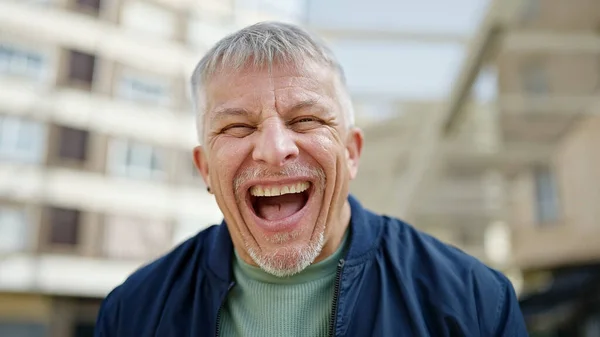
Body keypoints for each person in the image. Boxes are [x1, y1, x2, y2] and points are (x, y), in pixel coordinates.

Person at [93, 21, 528, 337]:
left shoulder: (475, 304)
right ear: (205, 168)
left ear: (352, 152)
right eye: (237, 127)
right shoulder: (132, 313)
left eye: (305, 119)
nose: (274, 148)